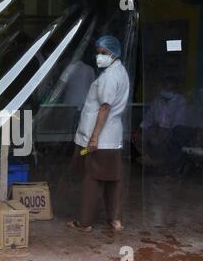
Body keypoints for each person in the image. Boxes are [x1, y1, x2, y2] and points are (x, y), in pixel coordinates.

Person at [67, 35, 130, 233]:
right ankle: (116, 220)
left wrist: (94, 138)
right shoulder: (119, 71)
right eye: (98, 52)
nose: (99, 56)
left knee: (92, 180)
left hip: (100, 138)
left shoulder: (109, 77)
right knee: (113, 179)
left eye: (103, 53)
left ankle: (84, 222)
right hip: (111, 138)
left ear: (113, 53)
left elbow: (104, 108)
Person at [133, 79, 192, 175]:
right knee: (140, 137)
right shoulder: (157, 100)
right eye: (164, 87)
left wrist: (163, 130)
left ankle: (158, 163)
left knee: (158, 140)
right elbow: (148, 117)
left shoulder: (180, 101)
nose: (164, 90)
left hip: (172, 130)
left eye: (168, 88)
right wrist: (140, 129)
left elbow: (178, 122)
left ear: (173, 89)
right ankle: (149, 158)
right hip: (155, 128)